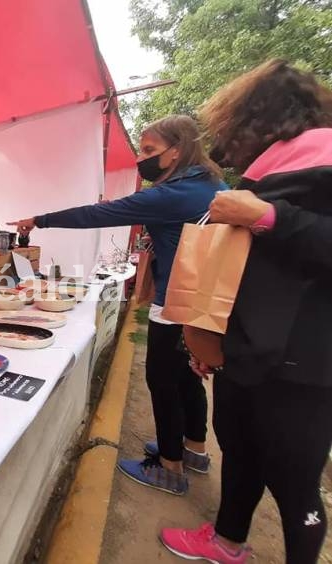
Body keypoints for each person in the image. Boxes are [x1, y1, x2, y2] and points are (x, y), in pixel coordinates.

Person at [161, 60, 332, 564]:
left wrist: (269, 217)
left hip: (303, 363)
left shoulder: (321, 169)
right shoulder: (269, 176)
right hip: (247, 350)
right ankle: (227, 541)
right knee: (239, 449)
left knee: (295, 482)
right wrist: (214, 339)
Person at [9, 115, 226, 495]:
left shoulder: (171, 195)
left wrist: (38, 220)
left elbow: (98, 214)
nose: (143, 159)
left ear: (176, 152)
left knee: (163, 381)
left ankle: (170, 467)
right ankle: (194, 449)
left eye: (149, 151)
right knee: (187, 377)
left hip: (175, 303)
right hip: (200, 302)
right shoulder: (207, 185)